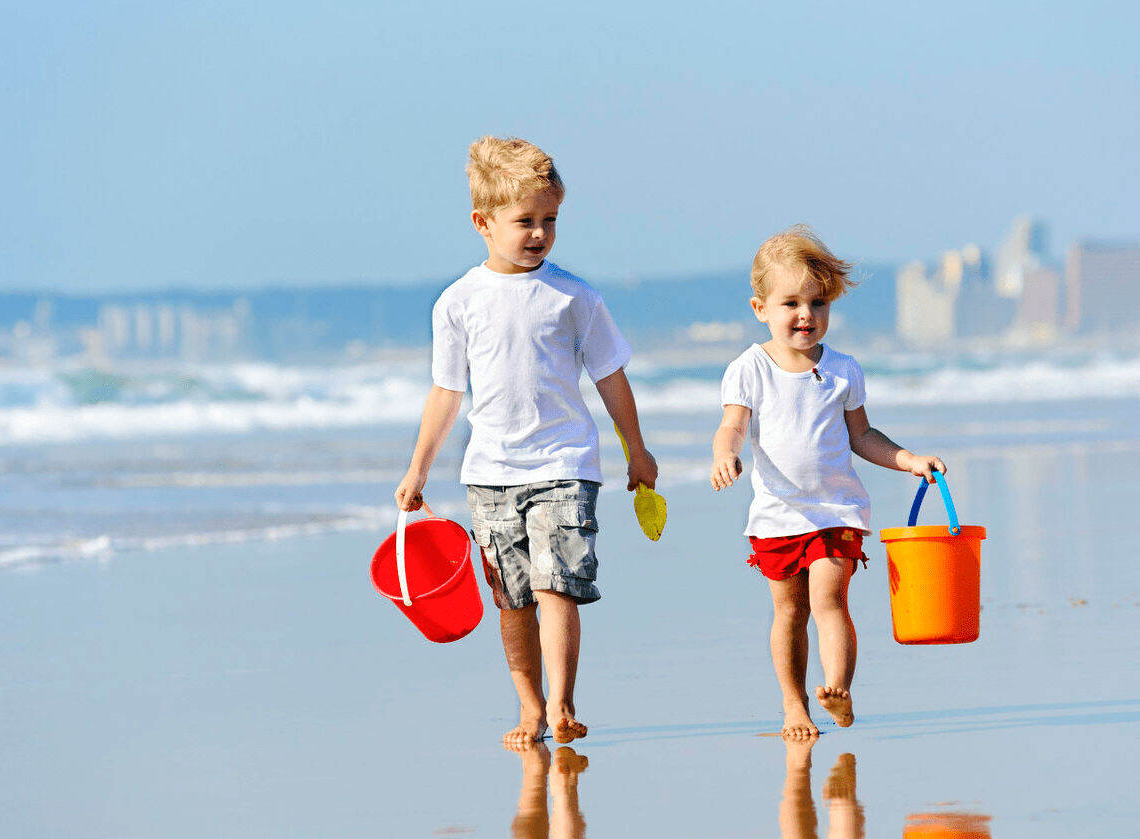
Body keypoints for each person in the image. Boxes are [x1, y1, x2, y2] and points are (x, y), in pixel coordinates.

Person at [395, 136, 658, 746]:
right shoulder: (457, 303)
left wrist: (635, 449)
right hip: (489, 473)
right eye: (525, 221)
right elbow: (445, 394)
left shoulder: (574, 297)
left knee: (556, 585)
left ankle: (563, 705)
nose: (539, 233)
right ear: (482, 224)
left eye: (550, 220)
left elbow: (611, 377)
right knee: (513, 598)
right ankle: (530, 708)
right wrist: (418, 470)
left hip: (565, 464)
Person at [710, 225, 944, 739]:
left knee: (828, 600)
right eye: (790, 303)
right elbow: (732, 425)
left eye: (818, 303)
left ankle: (837, 689)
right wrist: (724, 454)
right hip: (776, 516)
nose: (805, 316)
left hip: (837, 510)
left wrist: (907, 460)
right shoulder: (748, 369)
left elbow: (861, 435)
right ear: (760, 309)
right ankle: (794, 704)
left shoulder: (843, 370)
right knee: (788, 610)